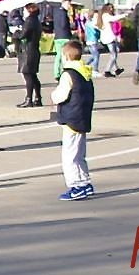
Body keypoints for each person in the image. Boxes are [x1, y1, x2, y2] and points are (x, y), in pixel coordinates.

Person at [50, 40, 96, 201]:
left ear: (66, 57)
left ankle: (76, 185)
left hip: (72, 118)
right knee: (79, 154)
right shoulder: (85, 72)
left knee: (70, 156)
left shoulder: (68, 74)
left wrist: (53, 96)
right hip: (82, 116)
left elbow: (61, 95)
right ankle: (85, 182)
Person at [15, 3, 43, 108]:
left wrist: (16, 33)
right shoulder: (36, 21)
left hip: (28, 51)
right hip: (34, 50)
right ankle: (38, 98)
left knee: (28, 75)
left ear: (29, 11)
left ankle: (29, 99)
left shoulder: (29, 21)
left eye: (24, 10)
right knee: (33, 75)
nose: (23, 12)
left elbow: (23, 35)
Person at [95, 4, 127, 78]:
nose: (112, 9)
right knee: (113, 55)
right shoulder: (106, 16)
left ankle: (116, 69)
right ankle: (107, 71)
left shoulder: (102, 16)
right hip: (109, 38)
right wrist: (124, 15)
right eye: (110, 8)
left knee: (113, 53)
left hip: (106, 38)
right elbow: (114, 18)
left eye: (112, 7)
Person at [52, 0, 74, 81]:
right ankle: (66, 72)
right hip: (65, 36)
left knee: (58, 56)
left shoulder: (56, 12)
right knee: (66, 56)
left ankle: (56, 73)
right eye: (68, 4)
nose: (69, 6)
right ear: (64, 3)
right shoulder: (64, 13)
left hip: (57, 36)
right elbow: (64, 24)